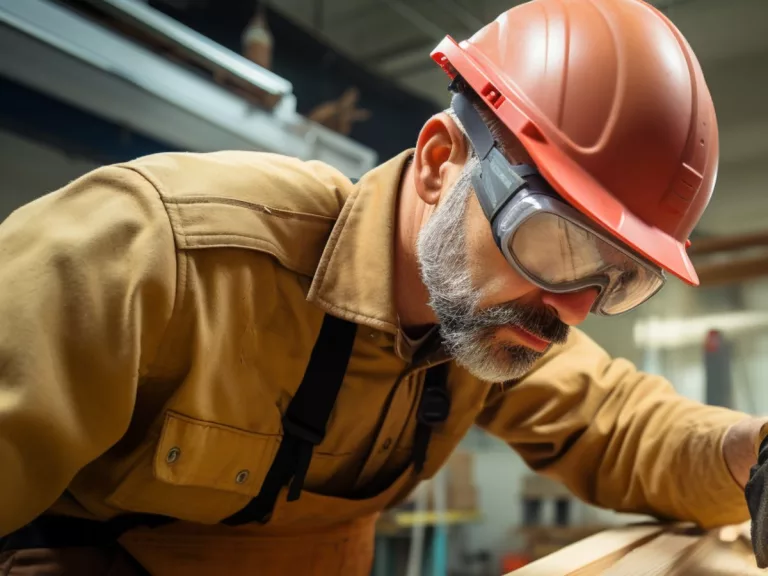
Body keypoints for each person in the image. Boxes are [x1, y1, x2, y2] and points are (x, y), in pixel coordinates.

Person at [0, 0, 765, 573]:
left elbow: (622, 424)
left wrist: (754, 456)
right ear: (440, 163)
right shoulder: (157, 251)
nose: (574, 307)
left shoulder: (492, 320)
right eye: (559, 242)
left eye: (618, 280)